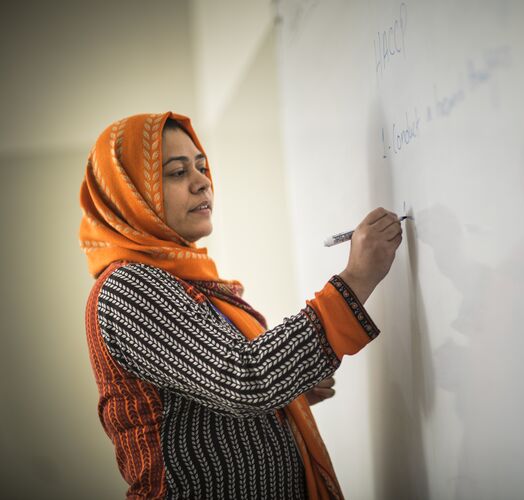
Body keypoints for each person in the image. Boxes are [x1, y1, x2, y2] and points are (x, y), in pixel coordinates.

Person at [79, 112, 403, 499]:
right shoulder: (127, 287)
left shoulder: (188, 284)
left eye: (201, 166)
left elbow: (216, 394)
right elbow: (245, 379)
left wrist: (288, 392)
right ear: (129, 193)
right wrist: (356, 279)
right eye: (177, 172)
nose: (203, 182)